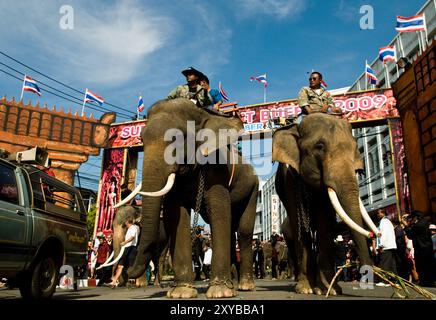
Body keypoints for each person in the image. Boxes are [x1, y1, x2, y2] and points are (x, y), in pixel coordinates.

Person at [403, 211, 435, 287]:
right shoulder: (426, 222)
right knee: (429, 265)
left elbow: (410, 235)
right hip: (428, 247)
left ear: (416, 217)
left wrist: (406, 226)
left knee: (421, 266)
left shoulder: (418, 225)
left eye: (412, 217)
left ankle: (424, 281)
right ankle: (430, 281)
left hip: (421, 248)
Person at [108, 218, 139, 288]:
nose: (124, 222)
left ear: (127, 222)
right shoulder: (129, 229)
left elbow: (132, 237)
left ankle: (137, 281)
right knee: (120, 265)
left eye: (125, 221)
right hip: (126, 247)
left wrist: (125, 242)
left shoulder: (133, 228)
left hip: (131, 248)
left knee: (132, 265)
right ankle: (114, 281)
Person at [376, 209, 398, 285]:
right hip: (390, 245)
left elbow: (383, 234)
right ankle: (394, 280)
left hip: (386, 245)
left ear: (383, 213)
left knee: (384, 263)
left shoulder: (383, 222)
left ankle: (384, 281)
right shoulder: (388, 222)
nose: (377, 215)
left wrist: (381, 245)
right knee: (391, 264)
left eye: (379, 213)